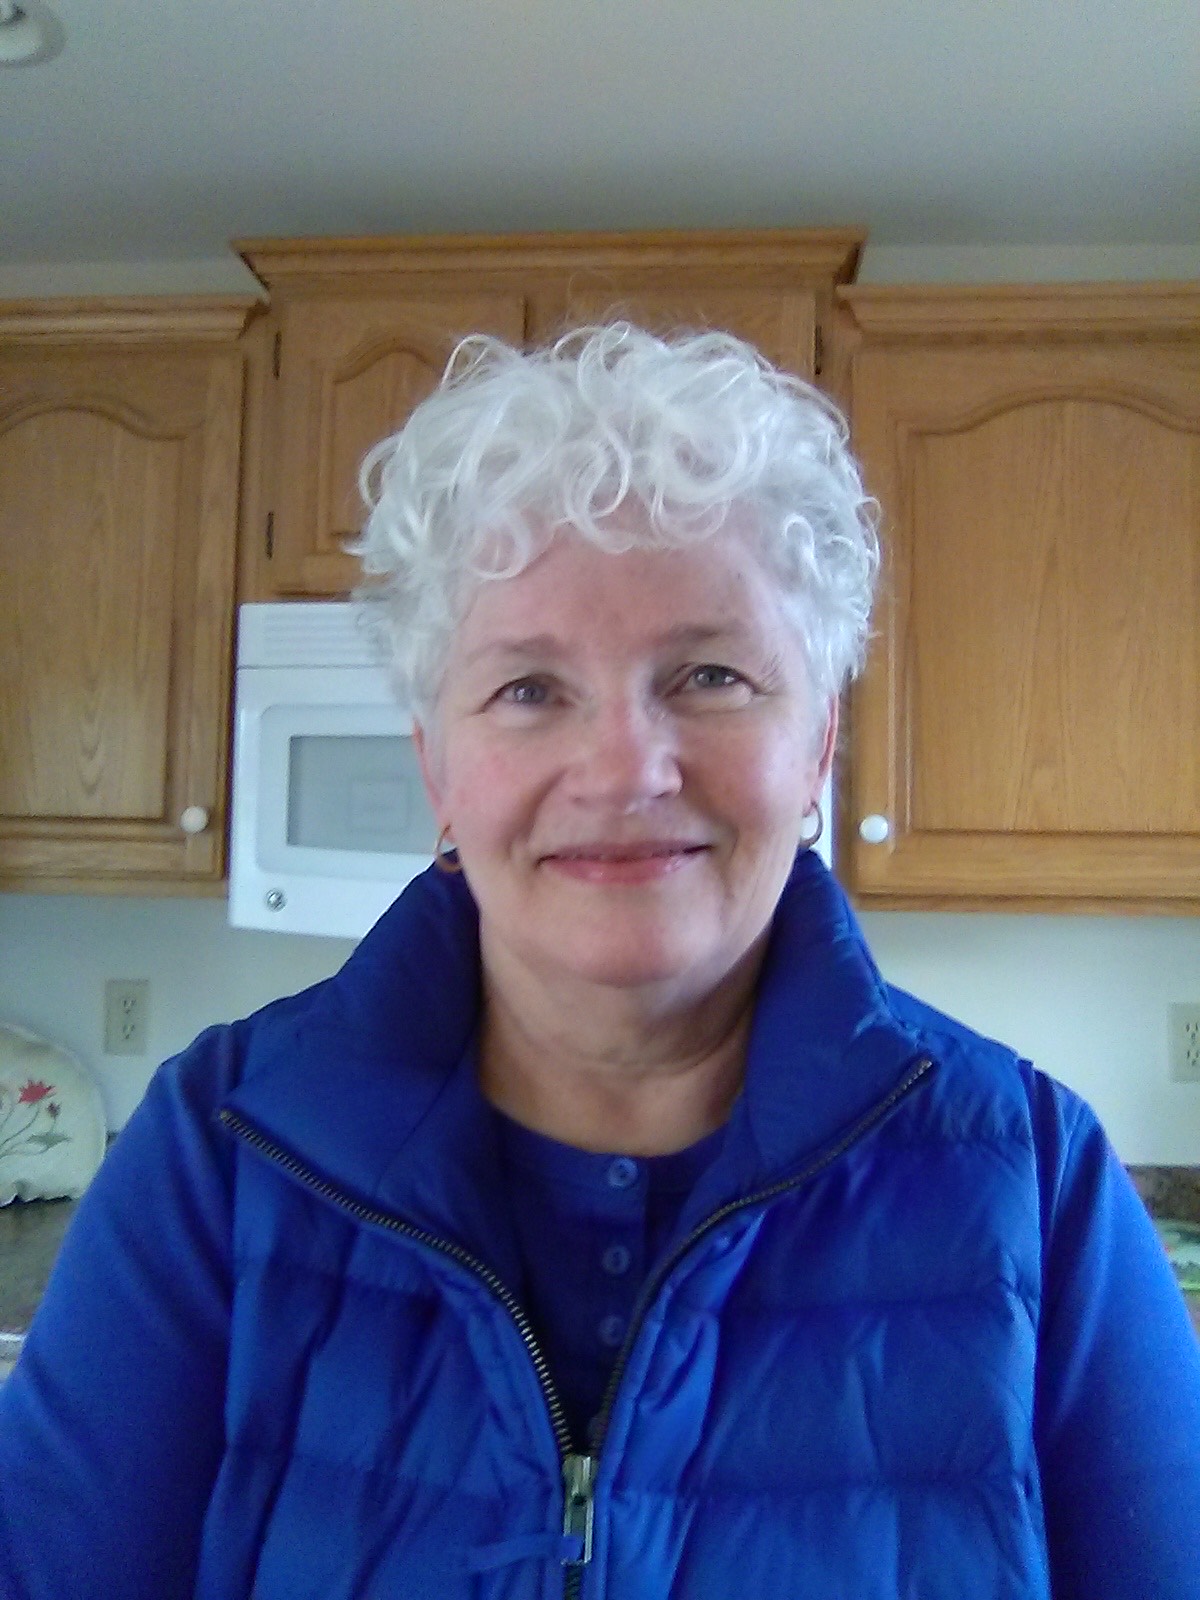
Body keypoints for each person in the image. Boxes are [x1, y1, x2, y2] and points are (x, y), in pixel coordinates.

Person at [1, 323, 1198, 1600]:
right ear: (436, 767)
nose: (626, 768)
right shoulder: (217, 1156)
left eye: (713, 674)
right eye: (527, 689)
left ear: (819, 746)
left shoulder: (1036, 1184)